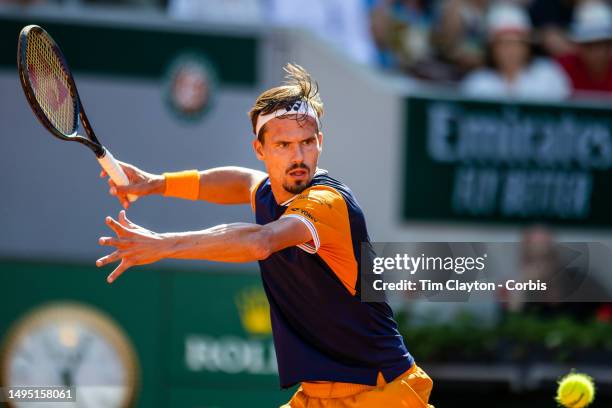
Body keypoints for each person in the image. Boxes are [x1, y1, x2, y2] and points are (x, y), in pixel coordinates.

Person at [97, 64, 434, 407]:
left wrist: (162, 245)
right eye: (283, 145)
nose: (298, 156)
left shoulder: (326, 202)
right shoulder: (271, 191)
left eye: (306, 143)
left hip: (381, 393)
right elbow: (242, 182)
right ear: (260, 149)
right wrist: (157, 183)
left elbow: (260, 242)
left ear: (320, 142)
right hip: (317, 396)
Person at [461, 2, 570, 100]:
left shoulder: (548, 75)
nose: (510, 50)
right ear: (492, 48)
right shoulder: (477, 82)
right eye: (503, 44)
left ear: (527, 46)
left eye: (516, 43)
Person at [556, 0, 612, 96]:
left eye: (603, 44)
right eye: (589, 45)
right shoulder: (562, 68)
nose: (598, 52)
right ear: (579, 46)